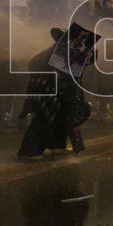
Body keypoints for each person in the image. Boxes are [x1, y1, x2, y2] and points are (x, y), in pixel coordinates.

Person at [17, 28, 92, 159]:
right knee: (43, 119)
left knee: (63, 118)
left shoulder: (75, 51)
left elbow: (88, 60)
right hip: (47, 90)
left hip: (63, 92)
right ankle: (28, 151)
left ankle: (57, 146)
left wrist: (89, 55)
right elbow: (34, 65)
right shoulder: (53, 53)